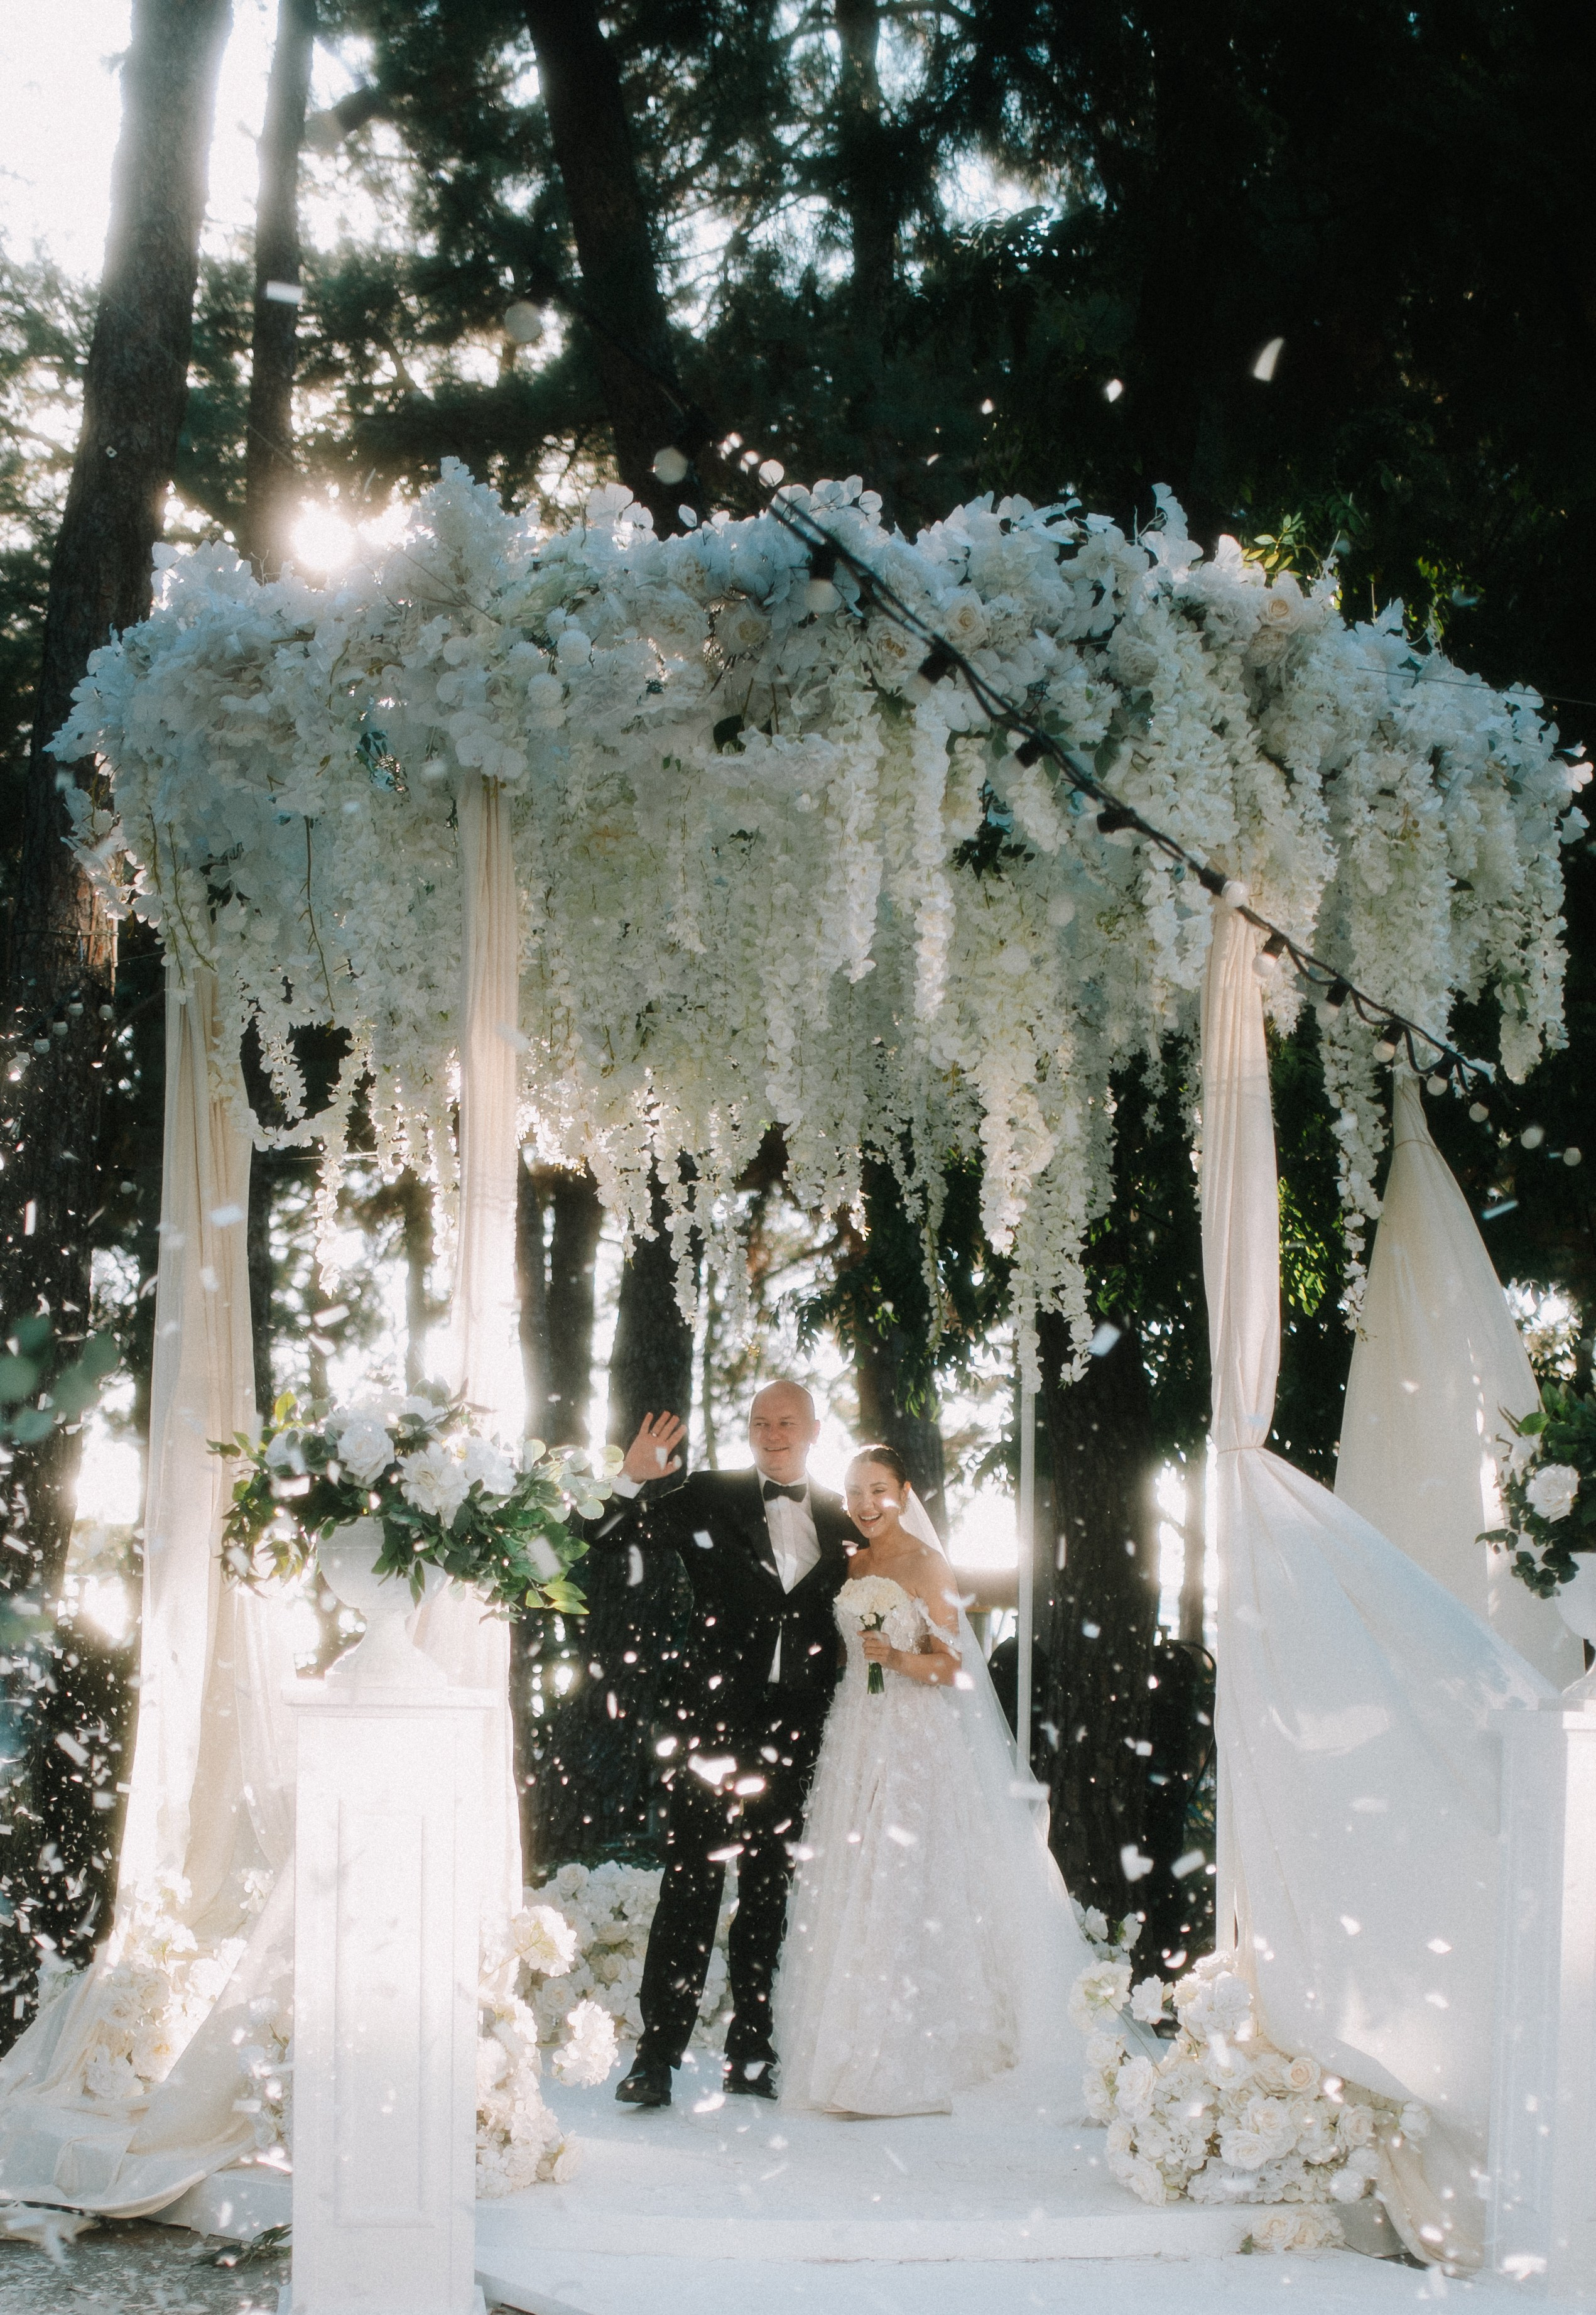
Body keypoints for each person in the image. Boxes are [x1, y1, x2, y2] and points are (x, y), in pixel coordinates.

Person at [773, 1445, 1095, 2117]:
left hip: (915, 1737)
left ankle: (907, 2053)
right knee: (854, 1875)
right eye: (856, 1490)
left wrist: (896, 1656)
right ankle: (847, 2047)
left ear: (905, 1491)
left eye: (879, 1490)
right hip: (856, 1730)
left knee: (903, 1877)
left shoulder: (928, 1564)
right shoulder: (852, 1561)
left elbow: (955, 1668)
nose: (865, 1503)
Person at [595, 1381, 862, 2109]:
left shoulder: (846, 1522)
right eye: (759, 1422)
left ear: (813, 1428)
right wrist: (631, 1481)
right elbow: (602, 1537)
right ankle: (657, 2056)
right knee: (691, 1882)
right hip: (712, 1726)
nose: (772, 1432)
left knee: (770, 1888)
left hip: (800, 1730)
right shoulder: (711, 1495)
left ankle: (752, 2049)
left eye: (786, 1421)